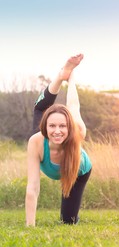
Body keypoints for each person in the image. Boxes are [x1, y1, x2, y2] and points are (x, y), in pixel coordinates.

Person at [25, 54, 92, 226]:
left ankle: (66, 73)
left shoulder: (77, 131)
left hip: (78, 173)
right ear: (45, 126)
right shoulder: (36, 141)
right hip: (42, 139)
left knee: (68, 221)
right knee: (40, 108)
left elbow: (73, 105)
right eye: (52, 126)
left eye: (62, 126)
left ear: (69, 127)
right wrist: (29, 225)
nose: (57, 131)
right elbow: (32, 187)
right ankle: (61, 74)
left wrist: (72, 78)